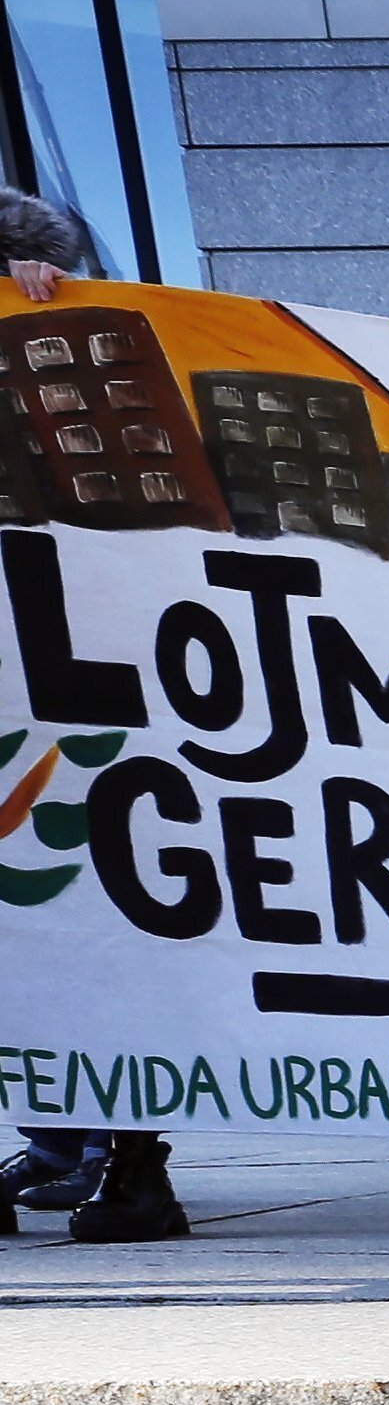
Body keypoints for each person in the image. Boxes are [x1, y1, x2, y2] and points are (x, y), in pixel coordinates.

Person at [0, 199, 184, 1242]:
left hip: (73, 700)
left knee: (90, 926)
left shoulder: (58, 351)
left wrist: (40, 307)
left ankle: (126, 1155)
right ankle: (66, 1143)